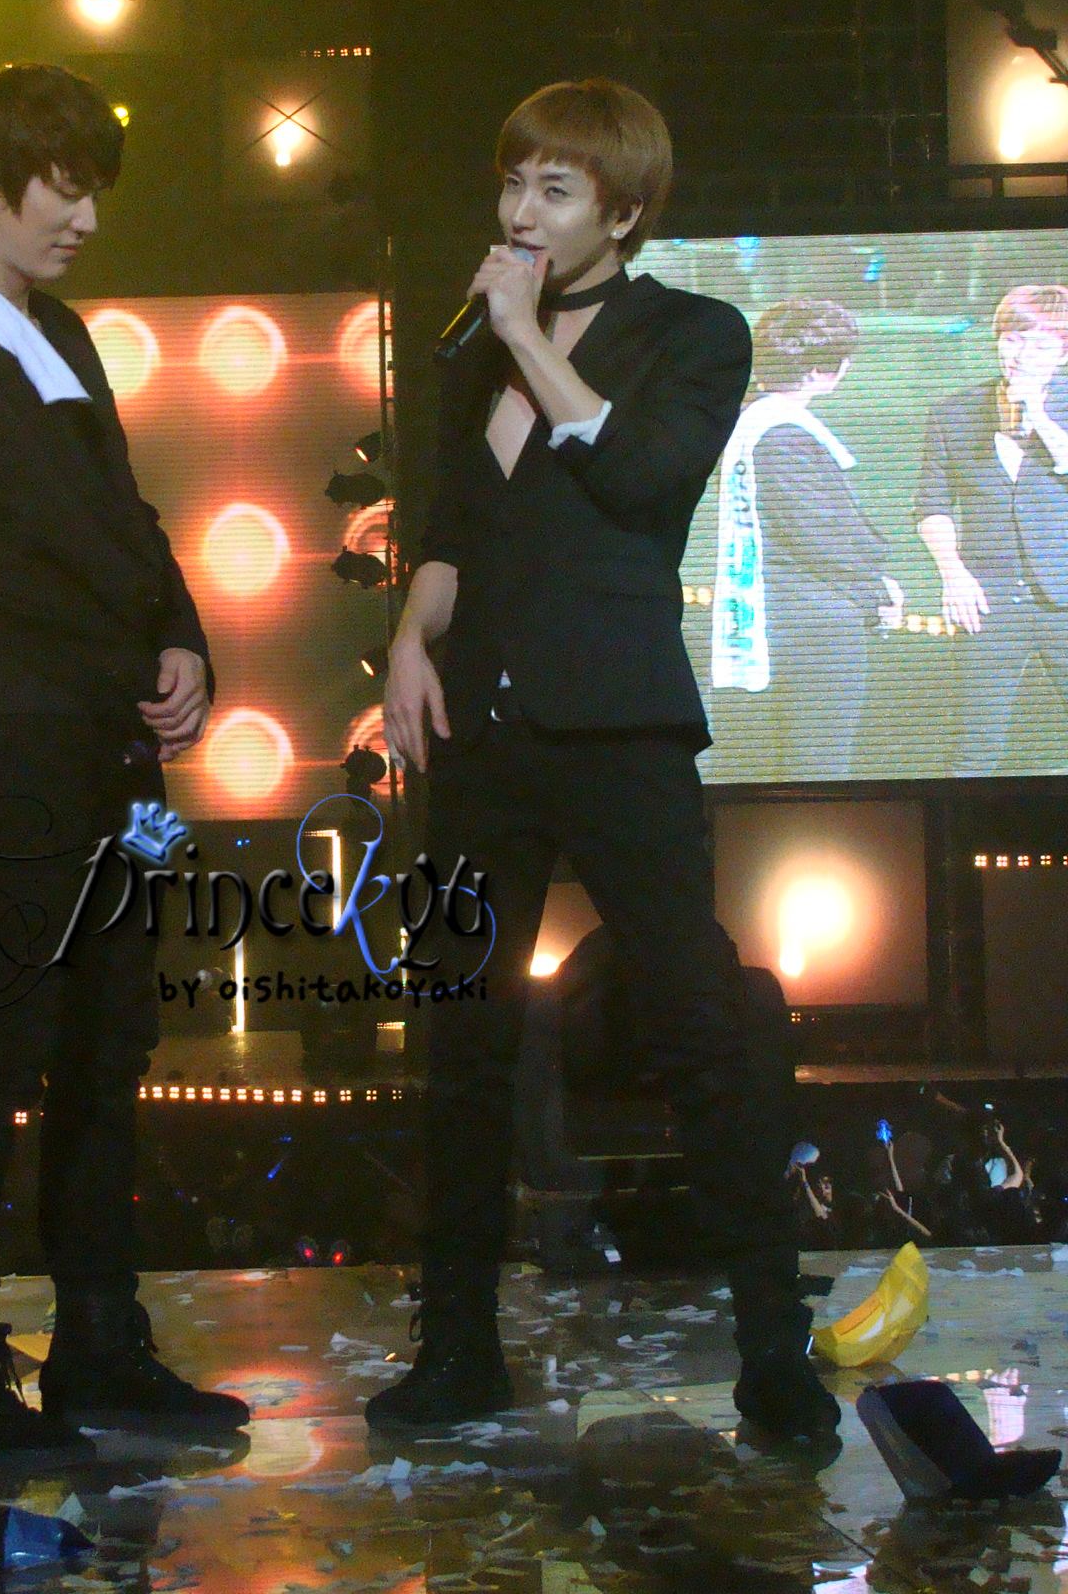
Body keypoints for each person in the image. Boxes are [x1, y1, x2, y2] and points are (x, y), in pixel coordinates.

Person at [372, 78, 839, 1444]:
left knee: (699, 1027)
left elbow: (642, 477)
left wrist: (529, 336)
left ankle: (773, 1351)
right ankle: (459, 1346)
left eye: (556, 189)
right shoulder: (474, 353)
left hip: (620, 727)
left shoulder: (691, 333)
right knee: (463, 1040)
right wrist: (408, 641)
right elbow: (454, 528)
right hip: (484, 729)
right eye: (513, 182)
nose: (520, 210)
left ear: (623, 212)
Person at [0, 64, 248, 1454]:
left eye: (94, 191)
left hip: (107, 734)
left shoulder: (60, 326)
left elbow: (123, 512)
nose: (85, 217)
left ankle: (99, 1343)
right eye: (64, 188)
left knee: (114, 1033)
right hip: (13, 725)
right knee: (4, 1033)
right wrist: (125, 648)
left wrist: (183, 637)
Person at [712, 298, 903, 778]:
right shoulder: (784, 435)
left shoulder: (751, 418)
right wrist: (877, 587)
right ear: (822, 372)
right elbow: (819, 536)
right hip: (812, 620)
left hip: (781, 608)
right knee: (819, 764)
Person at [916, 284, 1068, 773]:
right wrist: (952, 572)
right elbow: (932, 505)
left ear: (1063, 352)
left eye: (1040, 344)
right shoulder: (953, 412)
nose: (1021, 355)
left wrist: (1039, 416)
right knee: (975, 742)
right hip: (989, 597)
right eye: (1012, 339)